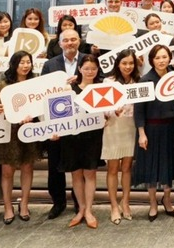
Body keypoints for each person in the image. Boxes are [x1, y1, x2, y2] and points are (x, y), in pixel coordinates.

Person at [41, 28, 86, 219]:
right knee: (55, 166)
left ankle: (80, 202)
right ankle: (58, 202)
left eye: (73, 39)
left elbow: (97, 83)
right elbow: (41, 93)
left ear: (79, 41)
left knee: (80, 165)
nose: (70, 43)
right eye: (66, 40)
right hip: (57, 122)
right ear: (59, 43)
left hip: (81, 122)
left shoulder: (88, 60)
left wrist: (80, 80)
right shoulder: (50, 65)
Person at [0, 50, 41, 225]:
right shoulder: (3, 85)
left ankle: (25, 204)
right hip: (9, 133)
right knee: (7, 171)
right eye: (22, 62)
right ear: (14, 64)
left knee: (28, 168)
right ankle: (7, 207)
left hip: (29, 131)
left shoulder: (35, 83)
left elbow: (41, 106)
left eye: (28, 62)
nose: (25, 66)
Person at [58, 54, 104, 229]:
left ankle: (89, 210)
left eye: (93, 69)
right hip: (71, 137)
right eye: (86, 68)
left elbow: (107, 113)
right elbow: (59, 113)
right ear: (79, 69)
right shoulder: (69, 89)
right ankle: (81, 209)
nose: (90, 71)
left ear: (97, 70)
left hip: (93, 136)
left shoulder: (101, 89)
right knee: (76, 174)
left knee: (90, 173)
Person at [135, 45, 174, 221]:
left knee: (169, 165)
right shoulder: (145, 80)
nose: (161, 61)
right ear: (151, 60)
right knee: (151, 167)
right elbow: (139, 110)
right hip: (151, 130)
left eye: (164, 57)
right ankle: (153, 202)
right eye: (157, 58)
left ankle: (167, 199)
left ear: (169, 58)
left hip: (171, 129)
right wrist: (141, 133)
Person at [102, 48, 139, 224]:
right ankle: (114, 206)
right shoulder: (108, 82)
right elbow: (102, 108)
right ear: (118, 64)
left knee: (127, 168)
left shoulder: (138, 82)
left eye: (131, 63)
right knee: (112, 168)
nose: (128, 66)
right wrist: (112, 111)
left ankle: (126, 202)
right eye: (124, 63)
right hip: (113, 127)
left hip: (131, 127)